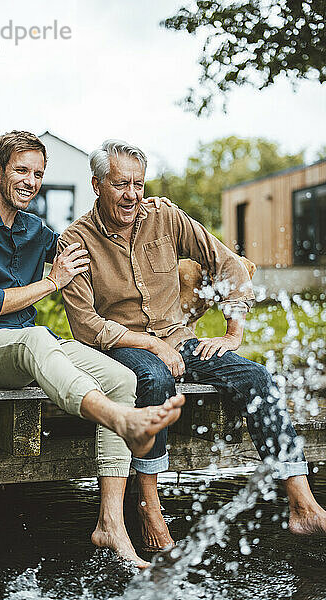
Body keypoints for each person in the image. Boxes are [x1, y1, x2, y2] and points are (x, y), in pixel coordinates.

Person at [60, 139, 326, 550]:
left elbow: (227, 263)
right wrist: (151, 345)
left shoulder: (165, 216)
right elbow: (86, 325)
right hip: (121, 345)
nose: (132, 195)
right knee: (152, 378)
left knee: (255, 377)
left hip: (179, 338)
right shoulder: (75, 239)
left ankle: (302, 504)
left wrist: (232, 332)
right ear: (96, 185)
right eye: (120, 184)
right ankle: (149, 504)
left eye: (138, 184)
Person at [0, 131, 185, 569]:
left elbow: (97, 240)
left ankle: (110, 523)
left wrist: (143, 213)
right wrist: (53, 282)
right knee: (38, 337)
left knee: (121, 377)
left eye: (38, 173)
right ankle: (116, 419)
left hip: (28, 348)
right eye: (21, 170)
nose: (31, 181)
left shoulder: (39, 231)